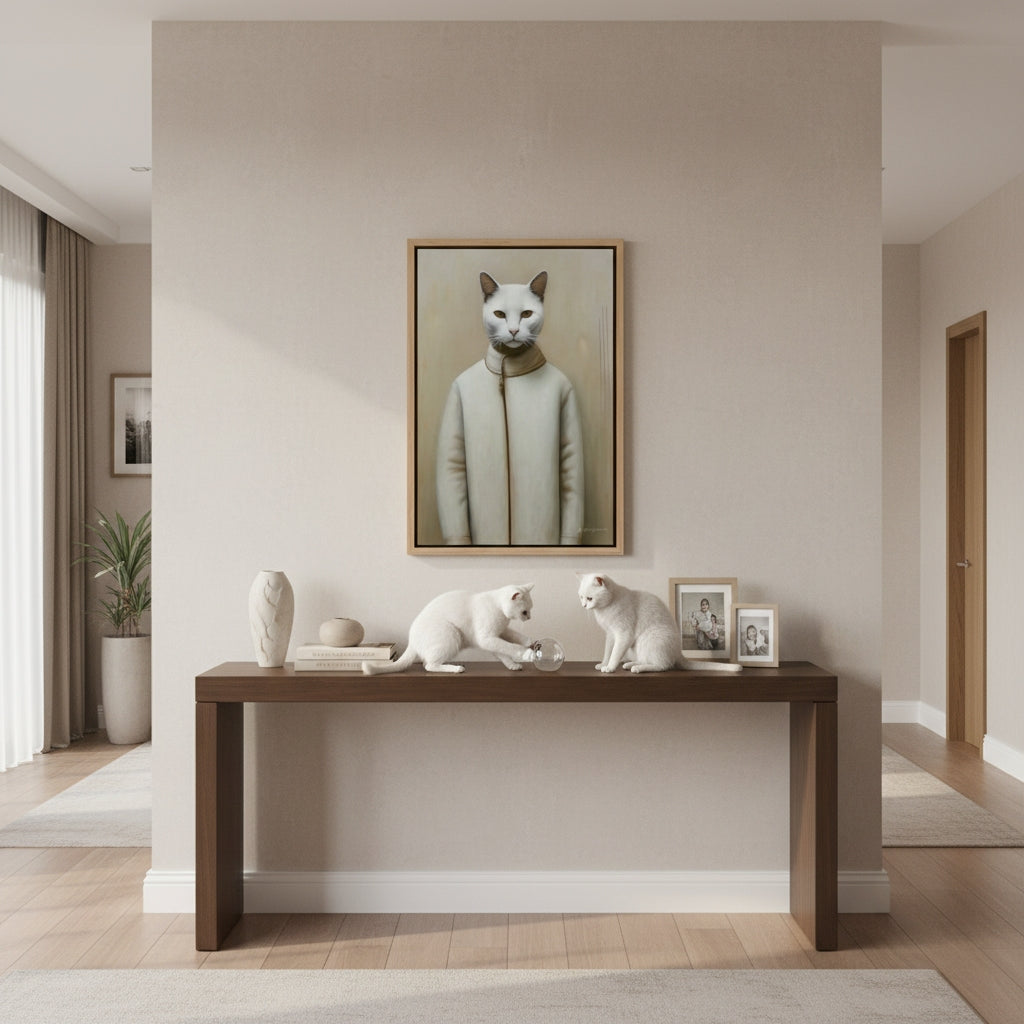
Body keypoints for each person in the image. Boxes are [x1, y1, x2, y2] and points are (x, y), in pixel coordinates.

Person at [436, 270, 584, 545]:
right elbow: (451, 469)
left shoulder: (558, 385)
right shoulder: (464, 386)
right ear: (486, 307)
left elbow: (572, 477)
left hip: (549, 554)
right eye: (501, 315)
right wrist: (458, 542)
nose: (514, 327)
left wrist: (569, 543)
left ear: (541, 304)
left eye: (526, 314)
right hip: (477, 558)